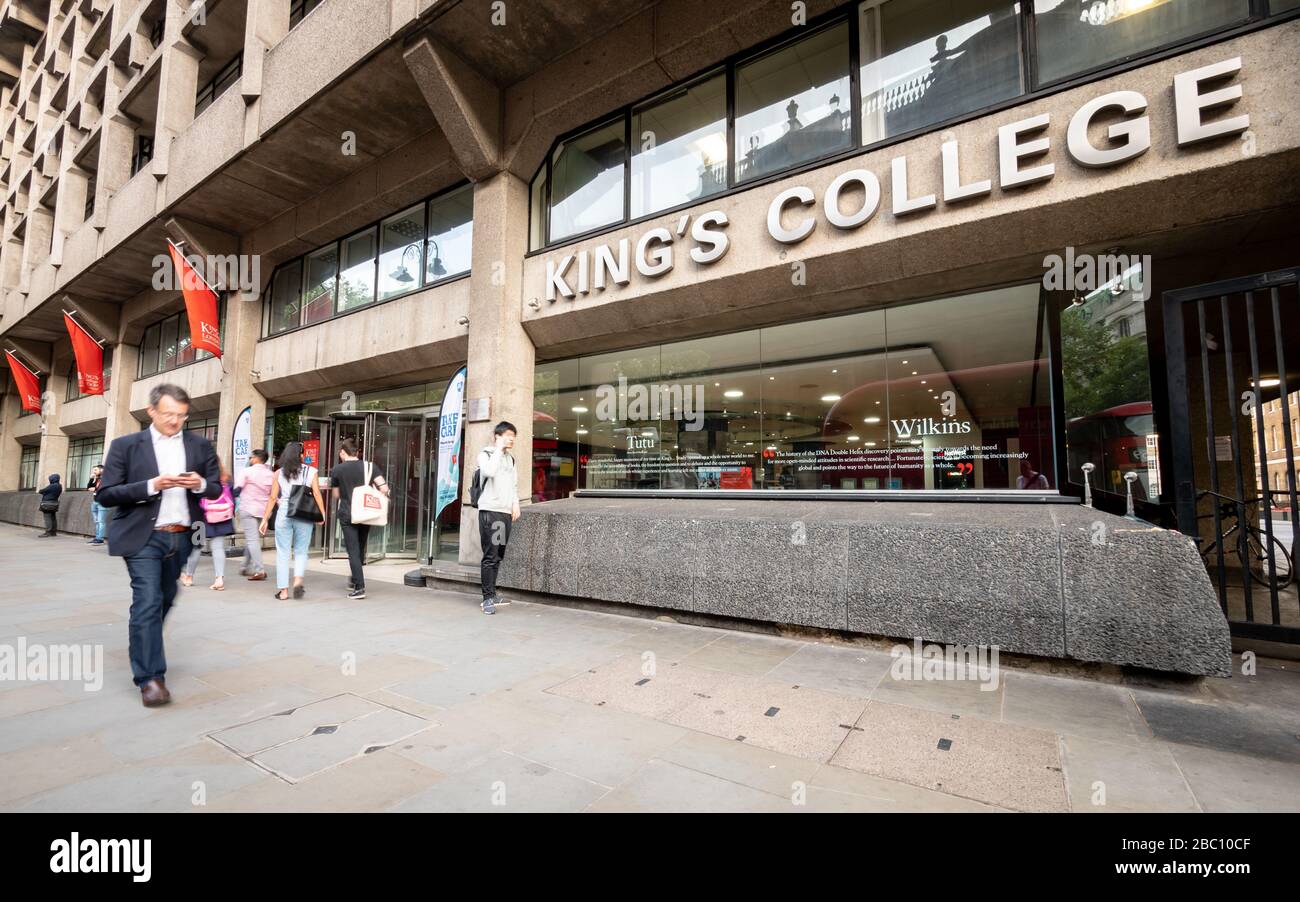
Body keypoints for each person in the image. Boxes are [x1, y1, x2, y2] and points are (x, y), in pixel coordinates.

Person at [96, 384, 222, 708]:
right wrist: (152, 485)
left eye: (181, 415)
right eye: (168, 414)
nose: (175, 421)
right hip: (143, 536)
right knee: (148, 600)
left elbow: (216, 488)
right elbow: (106, 493)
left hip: (183, 534)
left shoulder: (200, 444)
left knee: (166, 596)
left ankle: (145, 639)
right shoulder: (126, 446)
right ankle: (150, 678)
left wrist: (200, 484)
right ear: (151, 411)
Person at [260, 441, 325, 601]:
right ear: (301, 455)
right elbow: (317, 494)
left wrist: (265, 519)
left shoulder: (279, 473)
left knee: (283, 553)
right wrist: (322, 514)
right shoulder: (311, 471)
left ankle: (283, 591)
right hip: (303, 513)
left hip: (284, 513)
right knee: (301, 551)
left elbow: (273, 497)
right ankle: (297, 581)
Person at [330, 437, 390, 599]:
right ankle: (354, 577)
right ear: (357, 452)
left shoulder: (337, 470)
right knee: (360, 547)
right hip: (366, 512)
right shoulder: (370, 466)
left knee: (353, 550)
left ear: (343, 452)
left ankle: (359, 587)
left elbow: (336, 495)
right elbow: (384, 488)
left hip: (348, 514)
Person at [475, 421, 521, 615]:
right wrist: (498, 449)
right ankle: (487, 599)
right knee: (490, 555)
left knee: (498, 554)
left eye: (513, 436)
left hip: (504, 513)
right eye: (508, 435)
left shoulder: (510, 460)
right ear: (497, 435)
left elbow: (513, 485)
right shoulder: (485, 455)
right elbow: (489, 472)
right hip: (490, 512)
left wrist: (515, 504)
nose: (511, 439)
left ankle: (492, 594)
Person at [182, 459, 235, 590]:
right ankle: (219, 579)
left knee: (196, 547)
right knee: (218, 548)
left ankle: (188, 577)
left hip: (200, 518)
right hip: (222, 517)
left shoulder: (197, 479)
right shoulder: (226, 478)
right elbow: (233, 497)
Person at [233, 448, 274, 580]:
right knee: (252, 539)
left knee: (252, 540)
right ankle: (244, 566)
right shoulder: (270, 474)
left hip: (248, 509)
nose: (250, 459)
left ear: (256, 458)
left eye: (251, 457)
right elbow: (274, 494)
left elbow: (237, 490)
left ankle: (259, 570)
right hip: (263, 511)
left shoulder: (246, 472)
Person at [86, 464, 107, 545]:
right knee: (97, 521)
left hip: (102, 502)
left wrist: (95, 489)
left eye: (95, 470)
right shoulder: (97, 479)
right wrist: (91, 479)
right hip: (95, 502)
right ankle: (97, 537)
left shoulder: (106, 478)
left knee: (101, 521)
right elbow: (88, 487)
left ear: (101, 470)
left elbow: (106, 488)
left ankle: (100, 539)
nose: (93, 472)